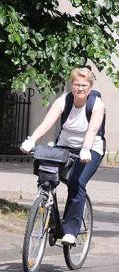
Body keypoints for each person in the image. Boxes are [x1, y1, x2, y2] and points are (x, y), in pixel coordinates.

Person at [20, 67, 106, 246]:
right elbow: (47, 122)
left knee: (76, 182)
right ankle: (47, 211)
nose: (79, 88)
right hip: (64, 146)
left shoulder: (97, 105)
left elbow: (92, 130)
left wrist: (85, 149)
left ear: (90, 87)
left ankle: (71, 231)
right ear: (71, 85)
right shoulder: (63, 101)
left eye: (84, 85)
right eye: (76, 84)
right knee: (47, 178)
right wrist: (32, 140)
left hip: (90, 149)